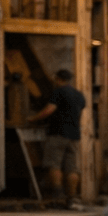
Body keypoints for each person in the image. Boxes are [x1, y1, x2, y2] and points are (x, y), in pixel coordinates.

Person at [28, 66, 86, 206]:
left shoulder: (58, 92)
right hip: (74, 135)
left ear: (58, 79)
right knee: (72, 168)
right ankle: (71, 198)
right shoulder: (79, 95)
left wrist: (33, 118)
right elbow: (79, 114)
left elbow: (50, 109)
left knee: (54, 165)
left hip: (58, 133)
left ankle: (57, 196)